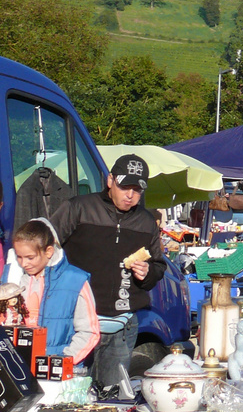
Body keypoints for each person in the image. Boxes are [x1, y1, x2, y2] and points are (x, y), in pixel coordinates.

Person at [50, 154, 165, 389]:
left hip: (122, 326)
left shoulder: (146, 222)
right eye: (125, 187)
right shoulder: (78, 208)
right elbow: (49, 249)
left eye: (137, 189)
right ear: (110, 180)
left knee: (110, 400)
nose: (130, 195)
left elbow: (159, 265)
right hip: (76, 323)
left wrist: (148, 272)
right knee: (67, 394)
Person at [3, 219, 101, 362]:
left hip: (59, 371)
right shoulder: (12, 279)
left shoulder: (75, 280)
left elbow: (89, 331)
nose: (24, 263)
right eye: (19, 257)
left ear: (49, 251)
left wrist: (64, 361)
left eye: (30, 257)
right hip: (19, 367)